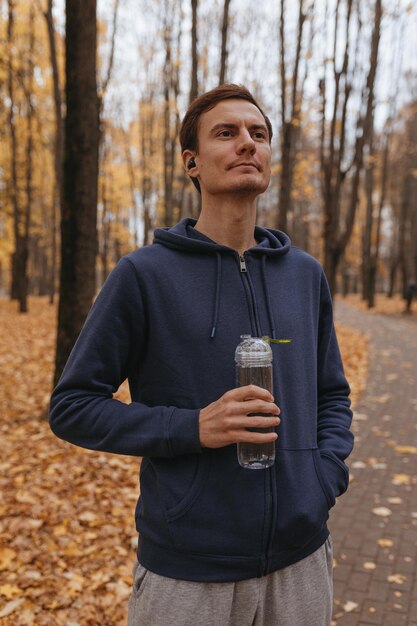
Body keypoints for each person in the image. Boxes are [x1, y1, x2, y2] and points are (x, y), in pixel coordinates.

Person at [49, 84, 354, 626]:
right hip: (188, 573)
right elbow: (73, 406)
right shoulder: (143, 275)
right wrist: (194, 427)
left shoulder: (304, 275)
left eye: (258, 134)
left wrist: (323, 478)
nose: (247, 144)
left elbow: (331, 393)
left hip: (302, 563)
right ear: (192, 162)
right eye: (227, 133)